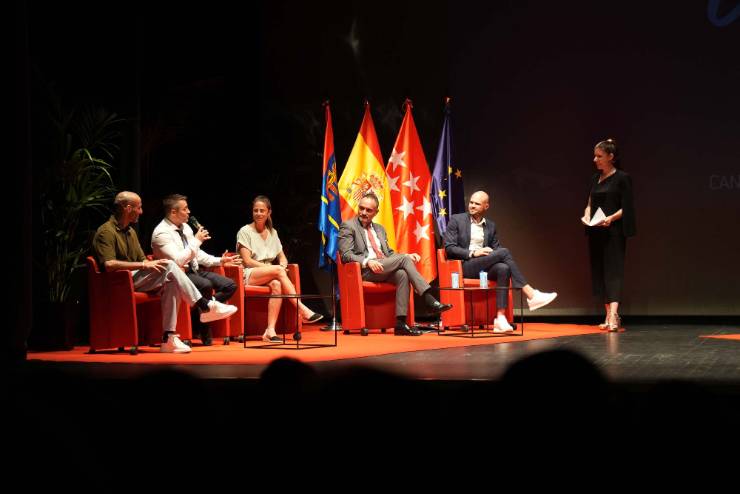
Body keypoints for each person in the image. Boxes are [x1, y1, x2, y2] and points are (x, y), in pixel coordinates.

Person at [91, 191, 237, 353]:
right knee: (171, 265)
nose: (141, 212)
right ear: (128, 208)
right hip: (118, 282)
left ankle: (169, 338)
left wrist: (147, 264)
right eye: (138, 208)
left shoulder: (130, 231)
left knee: (171, 281)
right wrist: (144, 265)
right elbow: (109, 264)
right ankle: (205, 305)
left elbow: (143, 259)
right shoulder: (106, 231)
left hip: (135, 278)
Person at [338, 193, 453, 336]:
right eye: (361, 208)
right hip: (365, 270)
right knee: (404, 261)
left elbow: (389, 253)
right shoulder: (348, 226)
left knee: (402, 274)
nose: (363, 212)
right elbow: (346, 254)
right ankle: (429, 299)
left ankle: (400, 323)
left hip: (382, 268)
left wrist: (406, 255)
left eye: (368, 210)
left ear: (376, 212)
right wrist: (368, 261)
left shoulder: (379, 229)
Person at [444, 190, 557, 333]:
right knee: (504, 252)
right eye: (471, 202)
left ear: (486, 206)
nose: (472, 205)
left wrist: (492, 253)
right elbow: (449, 248)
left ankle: (500, 318)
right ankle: (530, 293)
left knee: (503, 268)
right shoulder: (457, 220)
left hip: (483, 267)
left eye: (477, 204)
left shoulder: (490, 226)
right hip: (464, 266)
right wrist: (473, 252)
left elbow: (496, 250)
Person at [151, 194, 241, 346]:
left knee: (229, 285)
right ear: (173, 212)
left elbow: (196, 254)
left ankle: (206, 307)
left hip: (195, 270)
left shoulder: (185, 228)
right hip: (178, 274)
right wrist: (196, 241)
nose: (189, 212)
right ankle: (206, 317)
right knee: (205, 285)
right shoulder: (161, 233)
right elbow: (178, 260)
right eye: (185, 209)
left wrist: (220, 260)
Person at [236, 195, 324, 343]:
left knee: (277, 284)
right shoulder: (245, 231)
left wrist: (281, 266)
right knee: (277, 272)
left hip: (269, 273)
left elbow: (282, 258)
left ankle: (270, 331)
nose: (258, 213)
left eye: (262, 210)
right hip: (248, 273)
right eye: (255, 210)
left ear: (269, 212)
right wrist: (276, 269)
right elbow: (247, 261)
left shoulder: (273, 232)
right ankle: (302, 309)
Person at [581, 139, 636, 332]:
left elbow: (627, 207)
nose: (595, 159)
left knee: (613, 271)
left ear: (611, 157)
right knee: (600, 272)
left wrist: (611, 218)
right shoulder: (594, 178)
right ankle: (607, 315)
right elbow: (589, 202)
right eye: (595, 156)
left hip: (613, 232)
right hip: (596, 230)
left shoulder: (622, 178)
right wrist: (587, 214)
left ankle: (614, 314)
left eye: (599, 156)